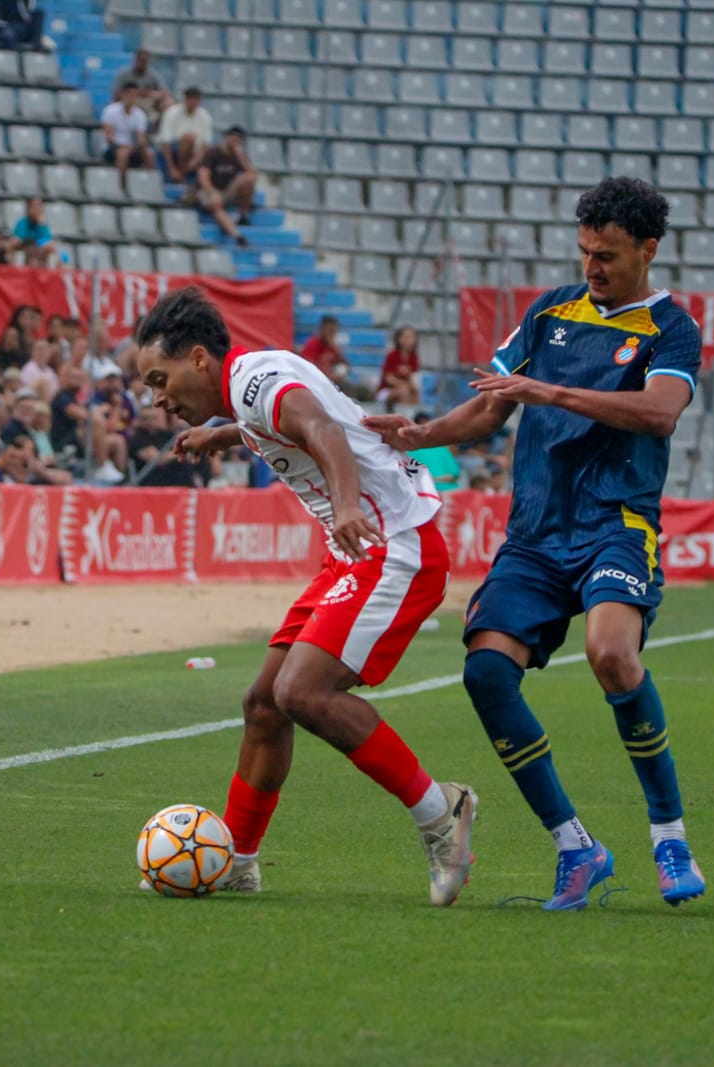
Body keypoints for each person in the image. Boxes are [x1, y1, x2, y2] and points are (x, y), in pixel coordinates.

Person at [363, 176, 707, 911]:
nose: (593, 267)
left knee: (612, 653)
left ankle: (669, 834)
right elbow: (492, 403)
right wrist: (426, 433)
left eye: (608, 255)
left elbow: (658, 412)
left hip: (617, 522)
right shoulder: (552, 310)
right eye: (585, 251)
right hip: (536, 534)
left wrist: (550, 393)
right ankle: (575, 846)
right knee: (486, 672)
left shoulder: (672, 329)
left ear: (648, 249)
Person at [135, 286, 476, 903]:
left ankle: (440, 812)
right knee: (265, 703)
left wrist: (345, 506)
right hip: (357, 550)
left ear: (198, 359)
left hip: (394, 543)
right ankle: (235, 860)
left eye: (161, 379)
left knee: (301, 693)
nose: (157, 398)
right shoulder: (251, 387)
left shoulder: (257, 382)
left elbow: (323, 430)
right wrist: (223, 437)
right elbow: (285, 422)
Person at [196, 126, 257, 247]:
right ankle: (237, 235)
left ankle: (243, 215)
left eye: (238, 139)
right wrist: (211, 191)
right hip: (208, 190)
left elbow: (253, 176)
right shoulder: (213, 152)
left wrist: (241, 158)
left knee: (247, 181)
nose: (235, 141)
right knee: (216, 203)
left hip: (226, 191)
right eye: (233, 137)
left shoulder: (239, 155)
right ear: (226, 137)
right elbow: (203, 175)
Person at [159, 87, 213, 184]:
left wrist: (194, 162)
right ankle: (178, 173)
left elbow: (205, 146)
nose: (192, 102)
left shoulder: (205, 116)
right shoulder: (172, 113)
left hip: (195, 154)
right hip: (174, 150)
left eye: (195, 99)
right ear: (185, 99)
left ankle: (182, 174)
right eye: (190, 99)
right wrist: (171, 168)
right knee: (189, 138)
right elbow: (165, 143)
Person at [100, 83, 154, 177]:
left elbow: (140, 137)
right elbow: (108, 137)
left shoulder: (140, 115)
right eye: (128, 94)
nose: (131, 98)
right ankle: (122, 185)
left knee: (149, 153)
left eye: (134, 95)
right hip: (112, 148)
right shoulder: (110, 111)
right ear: (122, 95)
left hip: (132, 148)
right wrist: (123, 147)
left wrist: (137, 146)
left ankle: (147, 182)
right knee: (123, 153)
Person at [112, 48, 171, 115]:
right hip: (129, 103)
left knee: (168, 102)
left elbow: (164, 92)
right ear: (135, 60)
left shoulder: (153, 75)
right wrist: (135, 94)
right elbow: (116, 94)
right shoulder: (124, 74)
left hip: (150, 102)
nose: (143, 64)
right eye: (141, 61)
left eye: (145, 61)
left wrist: (151, 94)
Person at [379, 325, 421, 404]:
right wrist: (403, 384)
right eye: (406, 337)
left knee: (415, 393)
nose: (409, 340)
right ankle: (404, 414)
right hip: (387, 391)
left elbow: (414, 378)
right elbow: (388, 379)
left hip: (406, 389)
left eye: (412, 337)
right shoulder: (392, 355)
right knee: (404, 391)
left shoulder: (414, 357)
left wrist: (412, 387)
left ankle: (412, 413)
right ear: (399, 339)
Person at [9, 196, 56, 266]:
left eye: (39, 207)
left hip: (38, 251)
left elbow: (46, 241)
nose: (37, 210)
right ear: (28, 209)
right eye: (34, 207)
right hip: (25, 249)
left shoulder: (43, 225)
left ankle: (50, 274)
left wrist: (41, 226)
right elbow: (19, 239)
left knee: (53, 248)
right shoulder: (22, 223)